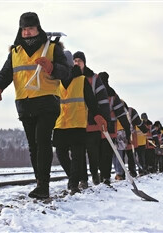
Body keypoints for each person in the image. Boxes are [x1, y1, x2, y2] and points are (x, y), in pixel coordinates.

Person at [0, 12, 69, 199]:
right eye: (24, 29)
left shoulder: (52, 48)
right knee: (33, 145)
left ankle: (44, 185)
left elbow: (66, 72)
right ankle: (40, 182)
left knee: (42, 141)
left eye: (30, 28)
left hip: (47, 101)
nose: (27, 32)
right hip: (25, 104)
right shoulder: (15, 52)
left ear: (38, 28)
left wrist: (52, 68)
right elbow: (5, 73)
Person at [53, 50, 107, 195]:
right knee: (61, 153)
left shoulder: (82, 80)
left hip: (77, 123)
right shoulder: (56, 81)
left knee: (78, 156)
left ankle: (73, 184)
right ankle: (73, 177)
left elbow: (91, 101)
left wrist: (98, 116)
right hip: (60, 123)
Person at [72, 51, 111, 188]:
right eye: (75, 61)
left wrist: (104, 119)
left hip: (92, 123)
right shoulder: (69, 77)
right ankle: (83, 179)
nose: (77, 63)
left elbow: (103, 99)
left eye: (79, 61)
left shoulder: (94, 78)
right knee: (78, 154)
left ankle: (95, 174)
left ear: (84, 62)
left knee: (93, 153)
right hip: (76, 123)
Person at [99, 71, 131, 185]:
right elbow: (122, 116)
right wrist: (128, 131)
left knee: (105, 153)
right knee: (108, 153)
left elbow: (122, 115)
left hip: (104, 127)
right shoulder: (112, 94)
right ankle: (106, 175)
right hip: (110, 127)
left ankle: (106, 175)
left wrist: (127, 131)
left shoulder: (107, 94)